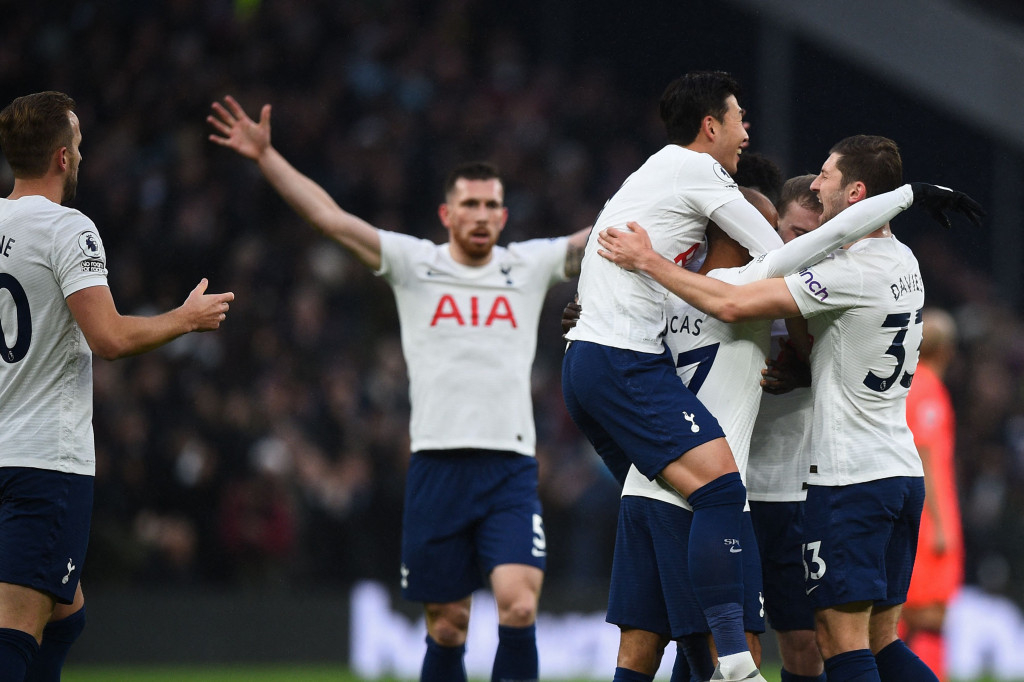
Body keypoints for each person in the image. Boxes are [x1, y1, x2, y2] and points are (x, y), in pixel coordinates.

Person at [206, 95, 589, 682]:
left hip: (509, 467)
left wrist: (671, 187)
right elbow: (331, 219)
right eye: (471, 204)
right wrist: (266, 156)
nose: (482, 214)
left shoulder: (528, 265)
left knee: (518, 604)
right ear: (447, 214)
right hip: (436, 465)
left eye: (492, 205)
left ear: (505, 216)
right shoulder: (414, 264)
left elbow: (593, 239)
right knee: (447, 624)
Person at [595, 134, 983, 682]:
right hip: (897, 474)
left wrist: (647, 260)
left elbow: (732, 301)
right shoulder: (904, 260)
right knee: (879, 642)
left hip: (847, 480)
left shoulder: (845, 272)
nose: (815, 181)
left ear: (857, 193)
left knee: (837, 642)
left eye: (826, 174)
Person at [0, 91, 234, 681]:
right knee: (17, 631)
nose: (81, 155)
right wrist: (187, 318)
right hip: (43, 464)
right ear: (61, 157)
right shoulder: (67, 229)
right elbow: (108, 338)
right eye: (77, 145)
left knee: (65, 615)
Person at [562, 70, 785, 682]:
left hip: (592, 369)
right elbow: (777, 253)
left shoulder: (656, 195)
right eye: (739, 118)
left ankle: (717, 659)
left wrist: (618, 283)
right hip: (621, 365)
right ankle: (735, 662)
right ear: (710, 126)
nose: (746, 130)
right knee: (718, 492)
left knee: (644, 643)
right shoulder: (701, 176)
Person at [746, 174, 827, 682]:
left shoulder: (834, 296)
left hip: (800, 490)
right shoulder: (736, 285)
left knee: (803, 643)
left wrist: (812, 371)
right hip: (734, 491)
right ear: (774, 225)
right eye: (795, 231)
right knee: (739, 642)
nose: (803, 245)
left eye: (816, 234)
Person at [898, 307, 963, 682]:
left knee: (908, 609)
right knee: (929, 612)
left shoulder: (909, 383)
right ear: (948, 350)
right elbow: (927, 458)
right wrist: (939, 523)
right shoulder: (928, 390)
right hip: (929, 517)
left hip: (913, 510)